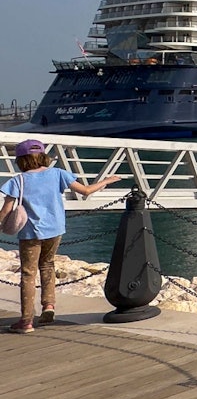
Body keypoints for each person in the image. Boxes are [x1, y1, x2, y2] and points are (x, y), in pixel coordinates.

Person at [0, 139, 122, 333]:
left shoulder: (18, 180)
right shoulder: (58, 174)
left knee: (28, 274)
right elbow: (86, 191)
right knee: (48, 265)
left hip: (30, 234)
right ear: (43, 156)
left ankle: (26, 321)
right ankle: (49, 305)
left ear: (21, 160)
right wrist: (106, 181)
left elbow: (6, 209)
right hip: (55, 231)